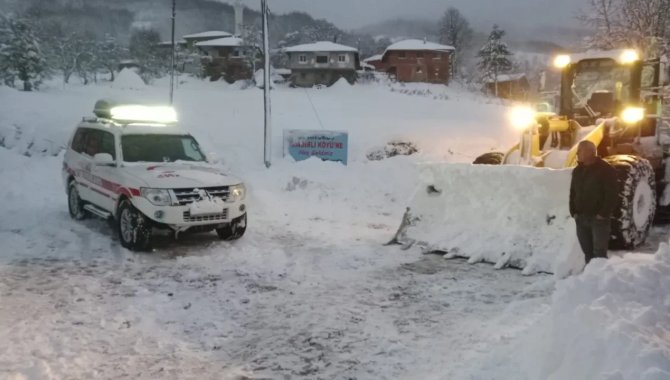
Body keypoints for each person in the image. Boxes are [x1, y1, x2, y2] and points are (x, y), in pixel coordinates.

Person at [569, 141, 618, 264]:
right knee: (588, 253)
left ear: (590, 152)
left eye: (580, 151)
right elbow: (573, 192)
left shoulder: (606, 170)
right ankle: (589, 280)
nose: (577, 153)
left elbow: (611, 194)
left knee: (599, 255)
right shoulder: (577, 171)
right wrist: (573, 211)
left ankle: (600, 280)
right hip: (581, 218)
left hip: (598, 220)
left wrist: (602, 214)